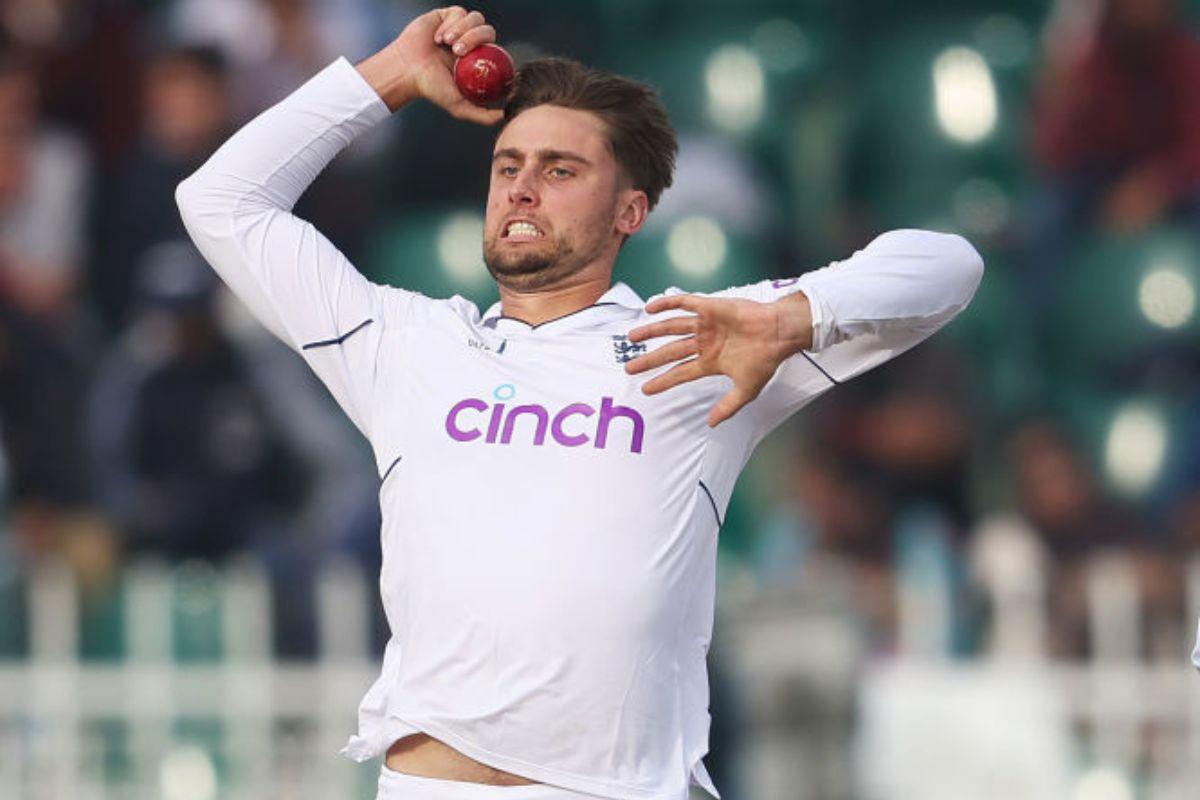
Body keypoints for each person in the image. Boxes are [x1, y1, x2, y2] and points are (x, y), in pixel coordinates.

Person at [176, 7, 984, 800]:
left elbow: (950, 265)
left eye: (560, 170)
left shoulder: (699, 341)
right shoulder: (402, 343)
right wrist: (389, 76)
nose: (523, 188)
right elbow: (221, 200)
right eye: (508, 165)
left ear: (630, 211)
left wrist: (788, 320)